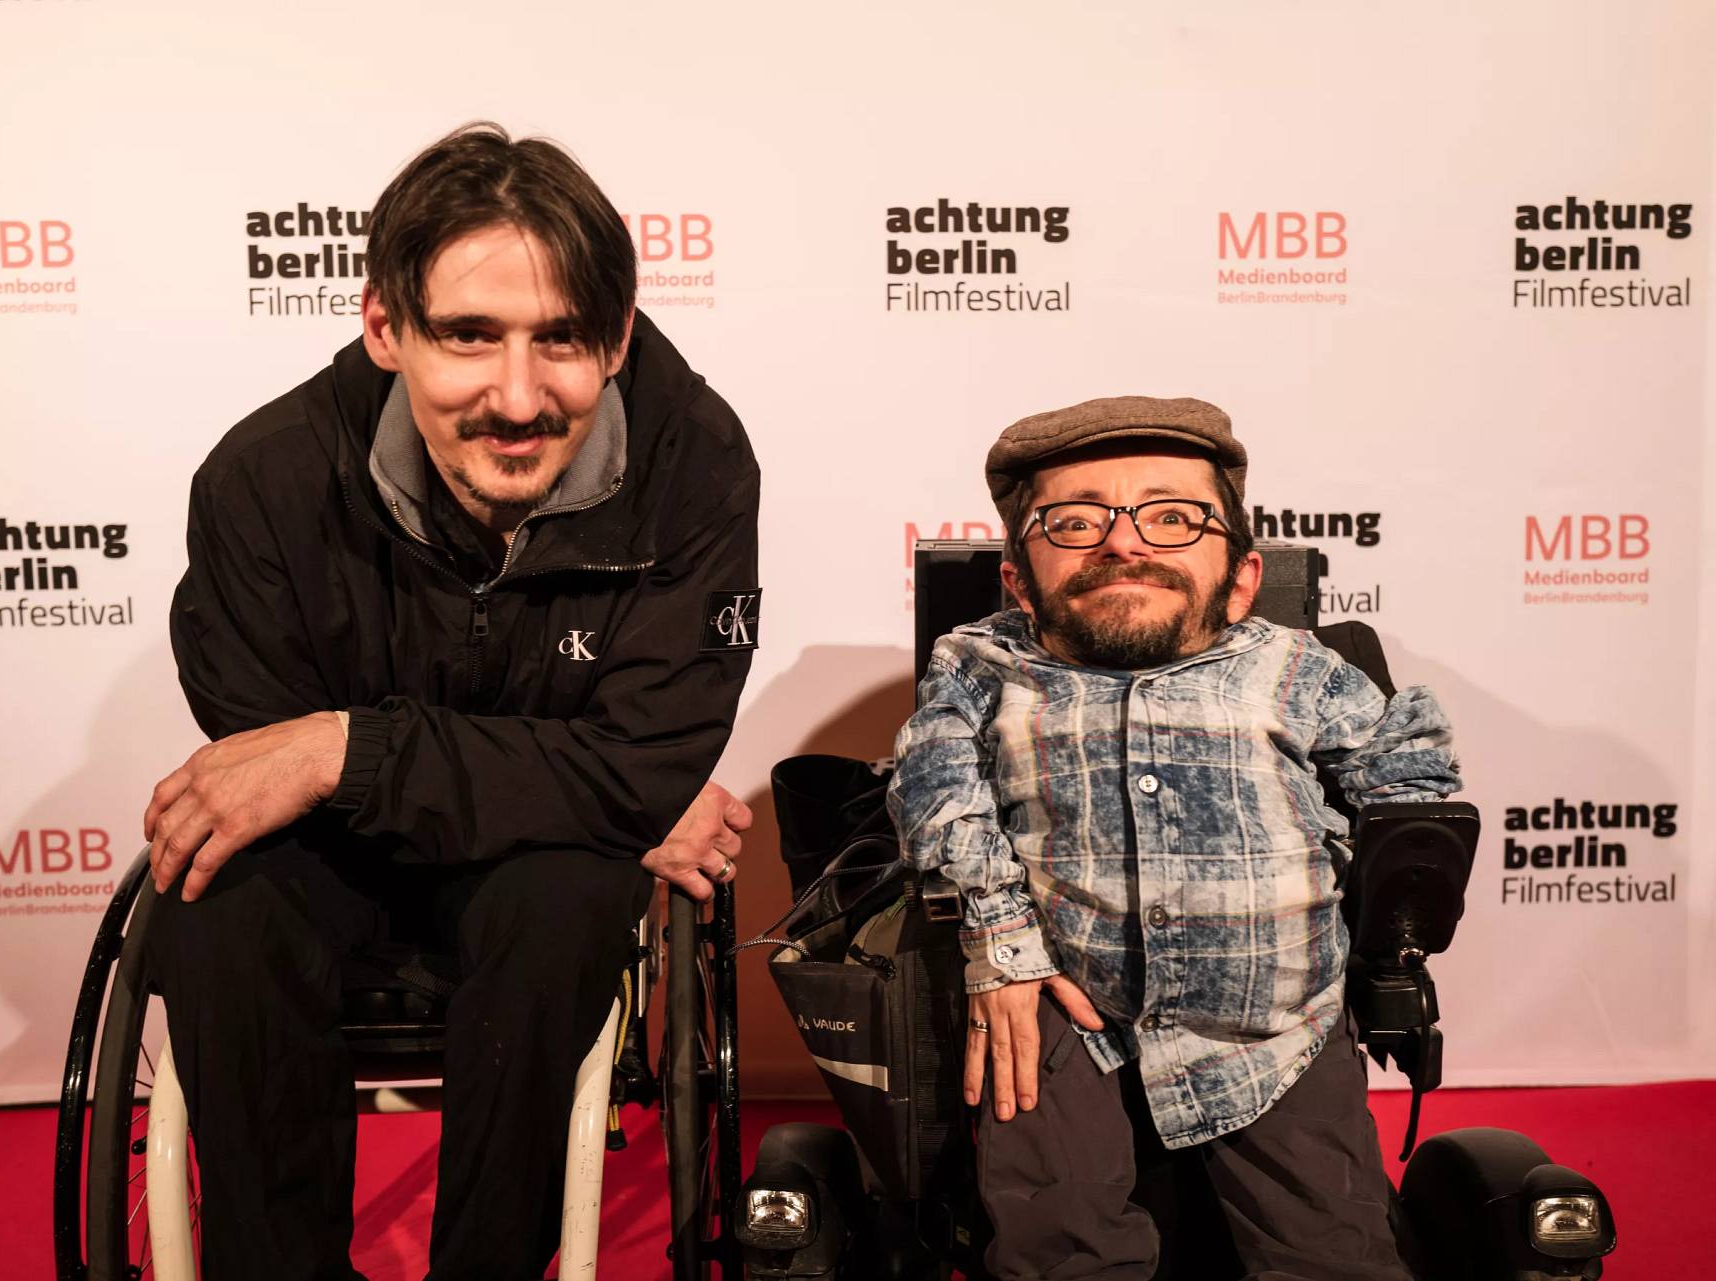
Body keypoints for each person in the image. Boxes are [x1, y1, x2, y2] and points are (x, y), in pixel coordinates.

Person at [137, 123, 761, 1281]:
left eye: (561, 338)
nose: (517, 399)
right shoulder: (262, 480)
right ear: (386, 328)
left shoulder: (698, 465)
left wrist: (344, 748)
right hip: (338, 859)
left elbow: (641, 764)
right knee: (217, 902)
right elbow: (257, 749)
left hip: (536, 870)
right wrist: (601, 785)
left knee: (562, 900)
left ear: (619, 337)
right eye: (470, 336)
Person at [887, 397, 1460, 1280]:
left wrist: (1355, 892)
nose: (1123, 542)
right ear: (1019, 580)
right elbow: (935, 791)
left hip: (1274, 1022)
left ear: (1241, 576)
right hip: (1060, 1006)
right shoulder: (979, 663)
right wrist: (1002, 945)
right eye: (1075, 521)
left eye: (1171, 517)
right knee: (1060, 1253)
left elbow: (1411, 780)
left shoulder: (1296, 667)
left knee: (1335, 1256)